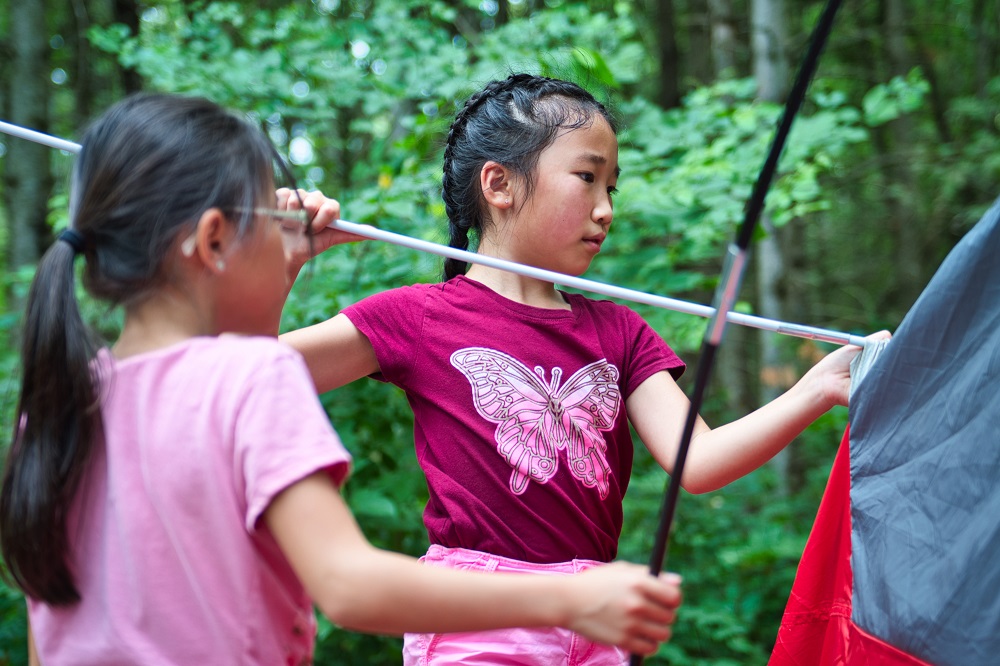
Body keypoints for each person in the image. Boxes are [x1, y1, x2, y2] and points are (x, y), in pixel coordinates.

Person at [0, 93, 684, 666]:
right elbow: (347, 586)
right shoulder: (253, 377)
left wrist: (282, 265)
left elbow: (48, 620)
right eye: (273, 220)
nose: (295, 239)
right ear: (212, 244)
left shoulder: (65, 397)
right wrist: (574, 598)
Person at [280, 73, 888, 665]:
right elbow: (247, 375)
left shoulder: (619, 331)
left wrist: (816, 388)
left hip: (597, 619)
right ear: (499, 184)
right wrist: (282, 266)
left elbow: (697, 461)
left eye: (611, 189)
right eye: (587, 179)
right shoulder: (418, 316)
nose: (605, 210)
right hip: (476, 617)